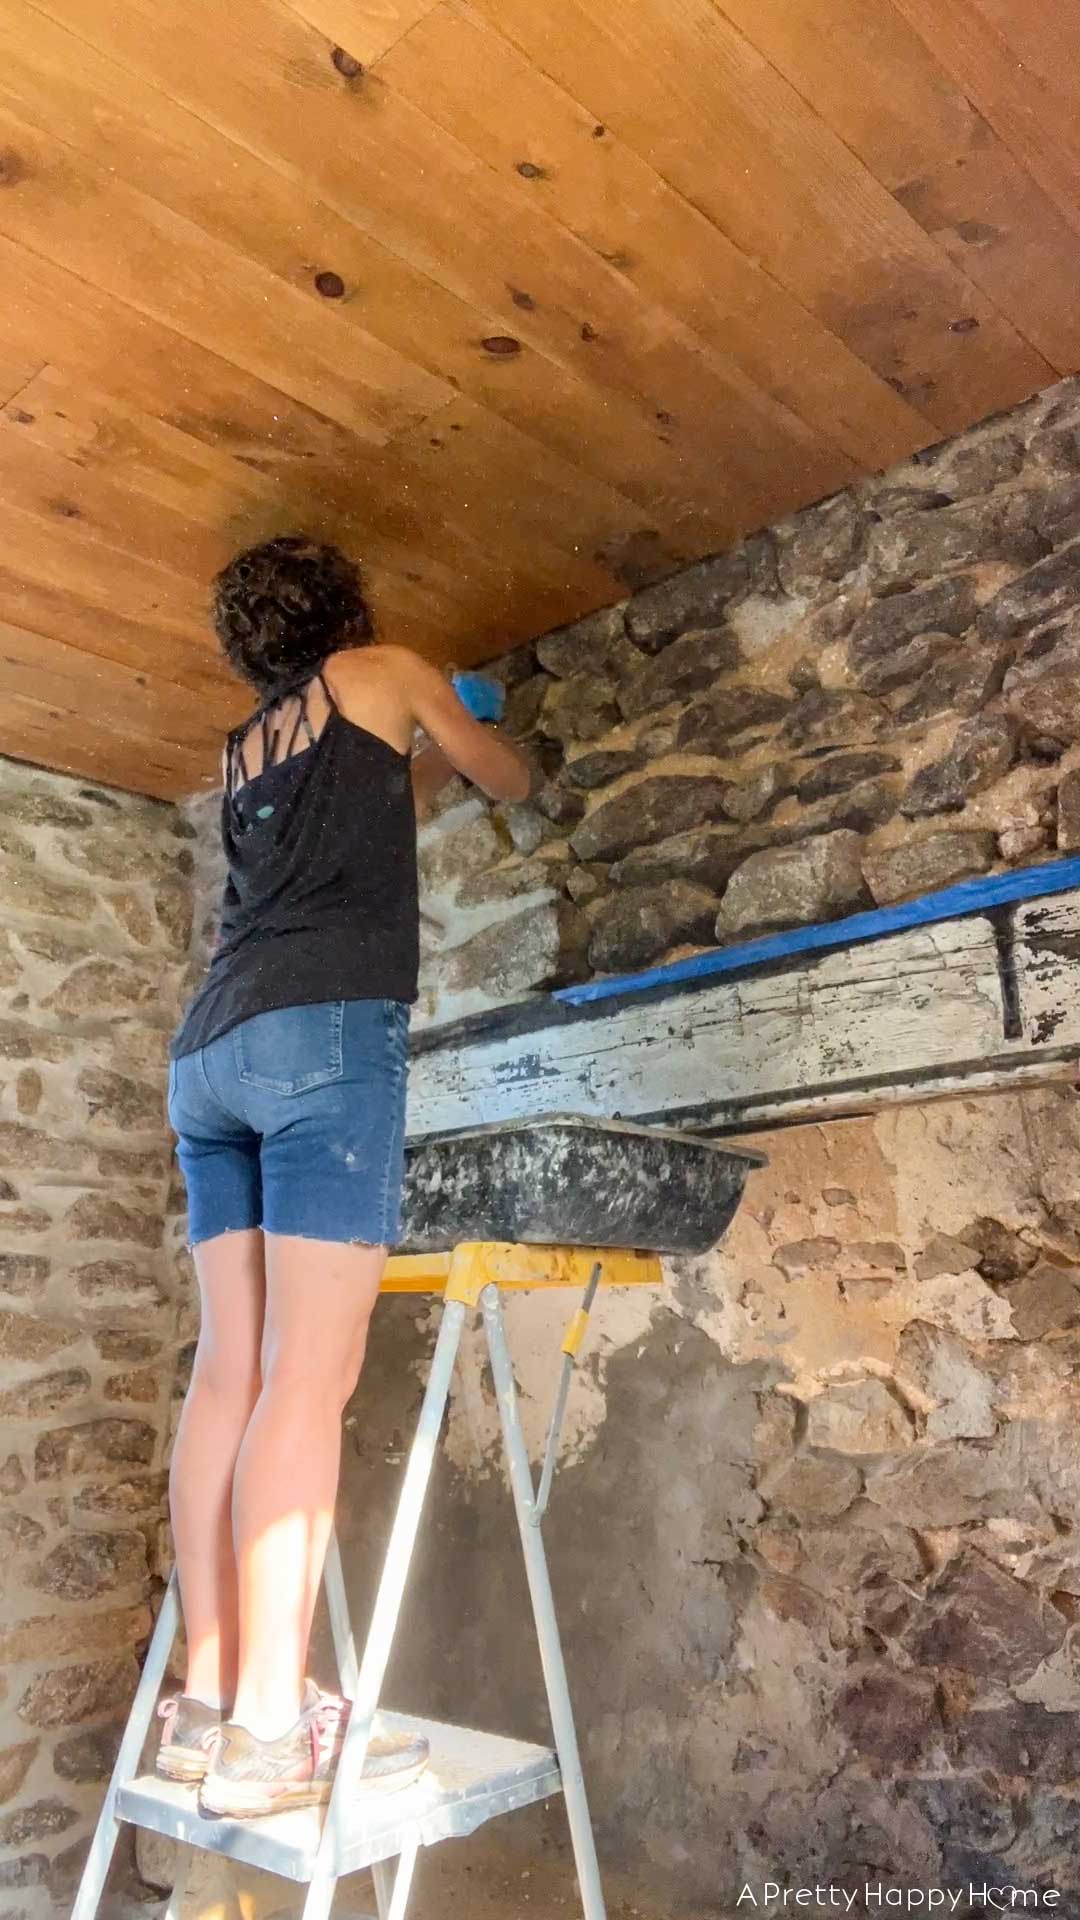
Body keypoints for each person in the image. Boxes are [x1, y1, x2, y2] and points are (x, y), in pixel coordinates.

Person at [158, 536, 532, 1817]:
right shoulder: (384, 668)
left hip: (208, 1054)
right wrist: (468, 715)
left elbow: (370, 820)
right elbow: (507, 778)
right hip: (320, 1035)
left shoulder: (245, 748)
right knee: (306, 1385)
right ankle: (273, 1731)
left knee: (232, 1374)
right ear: (344, 612)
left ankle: (208, 1710)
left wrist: (409, 751)